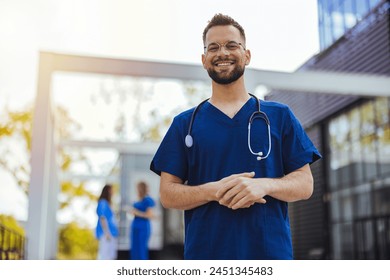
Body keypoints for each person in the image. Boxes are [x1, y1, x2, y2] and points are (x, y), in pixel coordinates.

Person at [150, 13, 322, 260]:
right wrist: (213, 190)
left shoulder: (280, 115)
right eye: (213, 48)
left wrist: (264, 185)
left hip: (269, 257)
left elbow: (305, 185)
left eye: (232, 45)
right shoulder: (184, 124)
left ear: (247, 55)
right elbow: (168, 194)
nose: (223, 53)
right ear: (204, 59)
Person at [129, 181, 155, 260]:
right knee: (134, 249)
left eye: (138, 188)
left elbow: (150, 215)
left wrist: (137, 213)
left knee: (141, 249)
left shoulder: (148, 200)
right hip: (135, 226)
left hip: (143, 227)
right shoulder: (137, 200)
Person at [95, 184, 119, 260]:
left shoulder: (109, 203)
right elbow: (102, 218)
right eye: (112, 190)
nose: (114, 192)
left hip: (111, 233)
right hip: (106, 234)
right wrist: (106, 232)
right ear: (108, 191)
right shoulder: (103, 203)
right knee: (104, 255)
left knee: (110, 255)